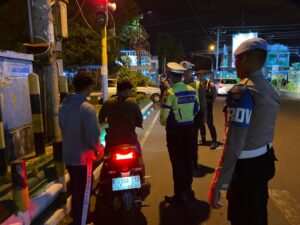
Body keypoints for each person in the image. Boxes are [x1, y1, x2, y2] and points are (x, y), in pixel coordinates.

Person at [208, 38, 280, 225]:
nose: (235, 64)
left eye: (236, 59)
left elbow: (234, 142)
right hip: (264, 160)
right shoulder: (270, 89)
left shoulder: (242, 91)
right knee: (258, 212)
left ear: (245, 59)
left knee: (243, 216)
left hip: (245, 169)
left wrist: (219, 182)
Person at [59, 72, 101, 225]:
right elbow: (92, 134)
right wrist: (98, 148)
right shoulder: (87, 108)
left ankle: (77, 218)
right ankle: (82, 221)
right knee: (84, 194)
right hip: (83, 158)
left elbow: (62, 128)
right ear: (89, 87)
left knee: (77, 191)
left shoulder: (64, 105)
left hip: (69, 155)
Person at [160, 62, 199, 205]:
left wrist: (164, 121)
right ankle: (187, 189)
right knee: (187, 160)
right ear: (182, 76)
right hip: (190, 130)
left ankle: (179, 196)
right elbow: (197, 108)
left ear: (171, 75)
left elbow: (164, 116)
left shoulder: (170, 92)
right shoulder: (192, 90)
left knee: (177, 163)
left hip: (175, 132)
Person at [180, 61, 207, 170]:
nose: (185, 73)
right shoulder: (178, 85)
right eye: (183, 71)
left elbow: (203, 101)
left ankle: (193, 162)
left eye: (187, 71)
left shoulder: (197, 84)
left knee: (193, 141)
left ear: (191, 72)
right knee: (182, 141)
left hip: (194, 117)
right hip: (181, 118)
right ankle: (185, 161)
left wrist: (204, 117)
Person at [198, 76, 218, 150]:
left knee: (210, 124)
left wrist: (211, 102)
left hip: (208, 106)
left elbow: (215, 94)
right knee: (201, 123)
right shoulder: (199, 84)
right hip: (201, 106)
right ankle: (203, 139)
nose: (200, 77)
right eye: (199, 75)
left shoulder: (211, 84)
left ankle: (214, 141)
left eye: (201, 75)